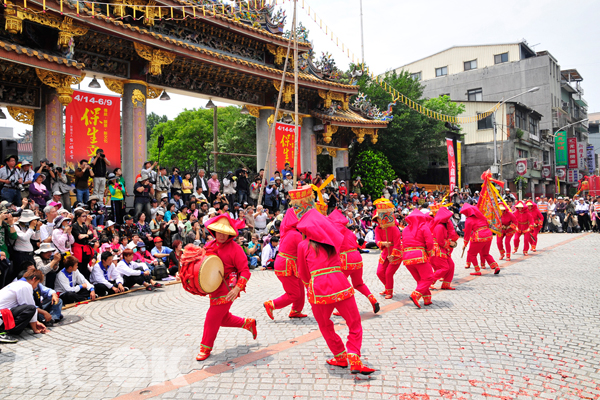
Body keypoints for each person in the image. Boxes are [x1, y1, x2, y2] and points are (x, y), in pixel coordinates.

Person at [296, 209, 375, 374]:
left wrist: (309, 286)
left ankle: (340, 356)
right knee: (354, 323)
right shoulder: (333, 242)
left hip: (318, 288)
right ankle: (353, 355)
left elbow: (303, 273)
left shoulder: (303, 245)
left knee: (325, 324)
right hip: (340, 283)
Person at [187, 213, 256, 361]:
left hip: (228, 288)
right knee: (222, 318)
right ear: (214, 231)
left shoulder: (236, 249)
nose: (222, 236)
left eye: (225, 233)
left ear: (230, 233)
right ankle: (247, 323)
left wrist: (238, 287)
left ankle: (205, 348)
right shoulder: (209, 245)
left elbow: (245, 270)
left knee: (212, 318)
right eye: (219, 232)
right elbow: (199, 263)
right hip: (213, 286)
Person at [328, 209, 379, 313]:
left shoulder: (334, 232)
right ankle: (372, 298)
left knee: (340, 285)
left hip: (345, 259)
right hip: (356, 257)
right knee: (359, 283)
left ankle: (344, 308)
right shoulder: (349, 232)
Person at [263, 209, 307, 319]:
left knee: (300, 287)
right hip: (287, 265)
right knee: (294, 293)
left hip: (287, 263)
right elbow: (305, 250)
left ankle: (296, 311)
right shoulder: (295, 234)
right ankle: (272, 304)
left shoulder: (288, 232)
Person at [0, 269, 48, 343]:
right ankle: (4, 331)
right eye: (37, 283)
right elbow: (30, 307)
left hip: (3, 313)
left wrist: (36, 322)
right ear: (34, 279)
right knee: (31, 308)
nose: (36, 287)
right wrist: (35, 329)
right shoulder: (25, 285)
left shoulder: (16, 283)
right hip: (2, 314)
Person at [401, 209, 435, 307]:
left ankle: (427, 298)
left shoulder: (406, 229)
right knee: (429, 277)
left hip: (407, 258)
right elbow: (429, 243)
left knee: (421, 279)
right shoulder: (424, 227)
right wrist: (429, 253)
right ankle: (415, 295)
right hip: (419, 256)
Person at [373, 199, 403, 299]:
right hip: (385, 252)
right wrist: (383, 243)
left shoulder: (394, 228)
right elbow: (377, 240)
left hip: (395, 253)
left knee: (388, 273)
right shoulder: (377, 229)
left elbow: (398, 244)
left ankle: (389, 291)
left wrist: (393, 255)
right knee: (379, 272)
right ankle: (387, 287)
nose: (379, 220)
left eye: (380, 218)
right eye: (377, 219)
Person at [461, 204, 500, 275]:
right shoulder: (481, 217)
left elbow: (467, 233)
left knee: (471, 254)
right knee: (485, 253)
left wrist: (465, 244)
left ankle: (477, 270)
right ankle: (496, 266)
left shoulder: (469, 220)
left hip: (479, 237)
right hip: (488, 235)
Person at [428, 207, 459, 291]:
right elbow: (440, 242)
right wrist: (450, 243)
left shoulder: (442, 226)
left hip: (443, 249)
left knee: (451, 265)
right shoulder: (440, 227)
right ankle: (429, 282)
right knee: (444, 268)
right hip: (438, 250)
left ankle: (446, 284)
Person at [10, 209, 42, 282]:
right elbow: (24, 238)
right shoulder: (16, 226)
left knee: (33, 275)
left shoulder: (27, 227)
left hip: (29, 255)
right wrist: (31, 227)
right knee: (22, 276)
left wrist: (37, 229)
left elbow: (35, 238)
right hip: (21, 255)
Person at [71, 209, 94, 280]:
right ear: (78, 216)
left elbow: (91, 235)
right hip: (78, 248)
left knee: (85, 265)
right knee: (79, 266)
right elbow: (79, 237)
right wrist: (87, 235)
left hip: (85, 248)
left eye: (85, 216)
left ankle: (86, 281)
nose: (85, 218)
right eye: (83, 216)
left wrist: (86, 235)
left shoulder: (84, 226)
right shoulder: (74, 226)